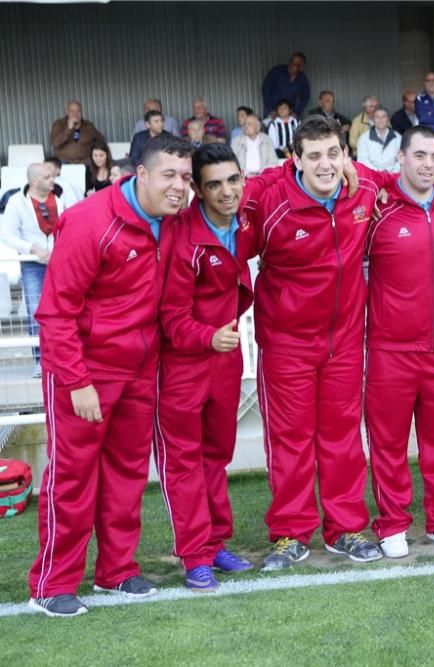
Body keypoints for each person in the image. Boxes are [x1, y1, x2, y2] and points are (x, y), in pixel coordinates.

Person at [27, 134, 193, 617]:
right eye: (170, 175)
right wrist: (77, 381)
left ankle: (116, 571)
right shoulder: (89, 222)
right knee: (73, 480)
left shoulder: (173, 219)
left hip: (140, 371)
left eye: (185, 177)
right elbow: (56, 313)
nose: (180, 187)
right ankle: (51, 584)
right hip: (85, 372)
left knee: (125, 478)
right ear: (140, 174)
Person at [241, 115, 383, 569]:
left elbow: (394, 181)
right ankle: (290, 533)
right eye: (314, 156)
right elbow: (231, 216)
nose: (325, 165)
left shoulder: (361, 191)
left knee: (343, 439)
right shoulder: (271, 199)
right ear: (295, 159)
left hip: (343, 341)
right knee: (291, 442)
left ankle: (346, 528)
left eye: (333, 154)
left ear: (346, 155)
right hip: (286, 345)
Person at [364, 126, 434, 557]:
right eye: (420, 155)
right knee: (388, 445)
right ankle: (392, 524)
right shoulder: (377, 211)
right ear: (401, 159)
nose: (428, 164)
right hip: (391, 352)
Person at [155, 143, 256, 592]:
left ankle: (215, 543)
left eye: (233, 180)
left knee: (216, 456)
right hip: (184, 363)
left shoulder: (246, 218)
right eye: (213, 184)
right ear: (197, 188)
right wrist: (207, 337)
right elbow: (172, 316)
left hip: (225, 358)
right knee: (184, 462)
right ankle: (194, 554)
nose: (227, 192)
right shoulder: (182, 237)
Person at [0, 163, 66, 376]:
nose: (52, 180)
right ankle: (42, 361)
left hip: (63, 262)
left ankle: (65, 358)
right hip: (32, 264)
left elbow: (75, 223)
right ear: (35, 181)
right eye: (47, 177)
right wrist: (33, 249)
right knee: (37, 312)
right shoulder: (16, 202)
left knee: (67, 309)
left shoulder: (62, 196)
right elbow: (6, 234)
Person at [49, 100, 106, 164]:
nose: (75, 114)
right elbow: (55, 144)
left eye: (78, 111)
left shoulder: (88, 126)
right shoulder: (59, 125)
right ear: (67, 113)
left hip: (85, 161)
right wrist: (68, 129)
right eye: (72, 111)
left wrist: (95, 153)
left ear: (81, 113)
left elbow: (101, 140)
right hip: (64, 161)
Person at [261, 52, 310, 118]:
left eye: (297, 65)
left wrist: (296, 111)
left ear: (301, 67)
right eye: (292, 62)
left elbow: (305, 96)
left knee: (292, 127)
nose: (293, 66)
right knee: (270, 127)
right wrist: (271, 109)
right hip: (273, 110)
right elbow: (266, 88)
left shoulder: (302, 78)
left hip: (289, 112)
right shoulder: (277, 71)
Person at [356, 108, 401, 172]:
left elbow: (402, 159)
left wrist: (392, 172)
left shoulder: (398, 137)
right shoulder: (364, 138)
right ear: (373, 119)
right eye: (377, 117)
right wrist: (377, 172)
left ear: (388, 119)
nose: (380, 120)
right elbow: (362, 160)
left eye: (383, 117)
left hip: (393, 175)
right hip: (372, 174)